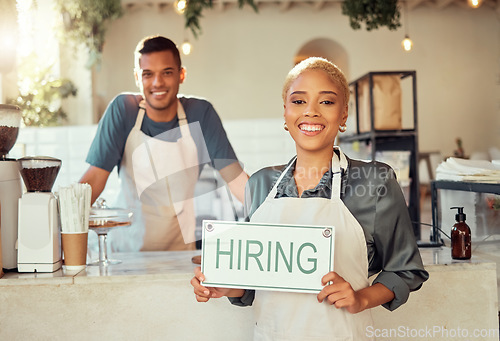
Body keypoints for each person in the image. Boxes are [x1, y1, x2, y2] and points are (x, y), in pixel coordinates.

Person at [191, 57, 429, 340]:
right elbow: (256, 281)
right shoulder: (260, 184)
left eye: (327, 102)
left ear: (344, 115)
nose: (311, 112)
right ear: (285, 113)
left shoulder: (375, 181)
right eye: (299, 101)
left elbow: (405, 270)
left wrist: (360, 299)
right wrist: (226, 287)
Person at [80, 35, 248, 252]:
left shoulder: (201, 113)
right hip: (125, 253)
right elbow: (94, 179)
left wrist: (275, 211)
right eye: (148, 74)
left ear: (181, 74)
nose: (157, 83)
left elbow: (237, 181)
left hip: (178, 256)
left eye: (167, 73)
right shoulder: (123, 110)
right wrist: (60, 227)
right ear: (137, 78)